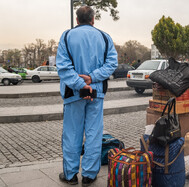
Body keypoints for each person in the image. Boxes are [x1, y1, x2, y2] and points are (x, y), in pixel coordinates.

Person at [56, 6, 118, 186]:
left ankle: (70, 175)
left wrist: (81, 85)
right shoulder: (105, 37)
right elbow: (112, 63)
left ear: (77, 20)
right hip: (96, 92)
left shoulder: (66, 36)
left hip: (73, 94)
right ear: (93, 19)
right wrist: (92, 78)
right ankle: (89, 175)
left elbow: (63, 67)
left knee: (72, 133)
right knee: (94, 133)